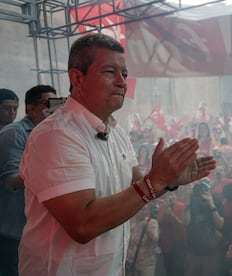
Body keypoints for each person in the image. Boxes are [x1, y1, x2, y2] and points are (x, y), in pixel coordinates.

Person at [17, 33, 216, 276]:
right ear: (77, 78)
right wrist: (156, 181)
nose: (122, 82)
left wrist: (169, 180)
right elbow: (82, 224)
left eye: (124, 73)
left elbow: (137, 187)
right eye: (110, 72)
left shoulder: (116, 131)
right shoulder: (56, 135)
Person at [0, 84, 57, 276]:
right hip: (14, 229)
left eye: (56, 103)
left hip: (39, 229)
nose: (53, 108)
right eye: (47, 103)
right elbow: (11, 182)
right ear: (30, 108)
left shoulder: (54, 135)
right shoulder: (15, 133)